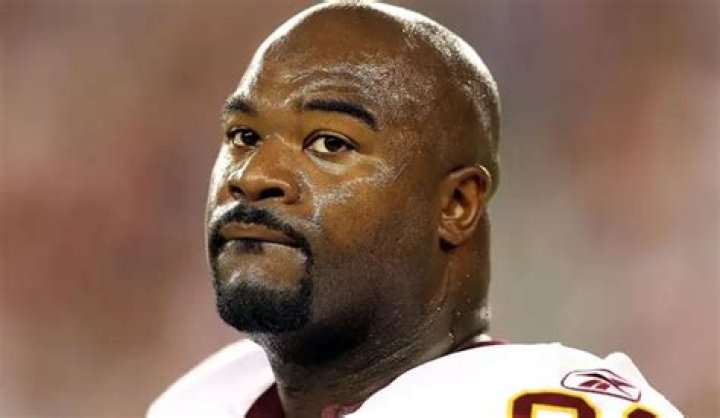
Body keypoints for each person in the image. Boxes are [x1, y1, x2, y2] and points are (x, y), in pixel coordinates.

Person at [148, 2, 683, 417]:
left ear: (457, 204)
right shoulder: (197, 403)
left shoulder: (528, 403)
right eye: (244, 136)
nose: (252, 176)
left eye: (329, 143)